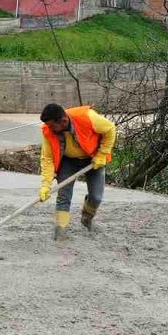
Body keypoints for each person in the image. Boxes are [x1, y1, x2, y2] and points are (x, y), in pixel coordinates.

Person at [38, 103, 116, 241]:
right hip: (68, 161)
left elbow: (110, 129)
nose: (49, 129)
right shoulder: (48, 131)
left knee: (96, 197)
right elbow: (47, 159)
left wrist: (102, 154)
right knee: (64, 196)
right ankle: (61, 230)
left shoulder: (88, 117)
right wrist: (46, 185)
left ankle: (87, 218)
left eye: (52, 126)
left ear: (63, 121)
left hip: (93, 158)